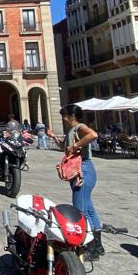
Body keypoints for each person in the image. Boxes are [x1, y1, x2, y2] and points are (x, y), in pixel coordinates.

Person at [46, 104, 103, 260]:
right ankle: (98, 245)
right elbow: (65, 148)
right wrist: (53, 137)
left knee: (80, 210)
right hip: (80, 170)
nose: (63, 118)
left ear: (72, 116)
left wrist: (76, 145)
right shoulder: (71, 131)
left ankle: (89, 248)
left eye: (65, 115)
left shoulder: (79, 127)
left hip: (83, 170)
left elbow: (93, 135)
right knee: (89, 208)